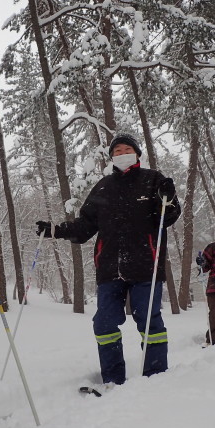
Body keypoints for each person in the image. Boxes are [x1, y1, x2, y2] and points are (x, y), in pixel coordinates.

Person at [35, 132, 181, 385]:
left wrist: (168, 198)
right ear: (111, 157)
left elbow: (167, 218)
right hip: (109, 268)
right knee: (104, 324)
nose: (122, 154)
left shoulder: (152, 180)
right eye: (117, 151)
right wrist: (56, 230)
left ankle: (156, 379)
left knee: (149, 322)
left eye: (127, 150)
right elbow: (84, 227)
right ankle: (113, 380)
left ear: (136, 154)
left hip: (146, 265)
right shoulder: (103, 187)